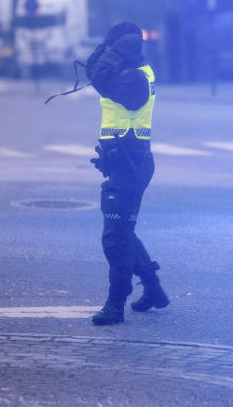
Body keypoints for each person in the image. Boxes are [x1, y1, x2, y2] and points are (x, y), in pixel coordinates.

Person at [85, 22, 169, 325]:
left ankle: (115, 304)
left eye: (114, 48)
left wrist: (114, 52)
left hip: (130, 163)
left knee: (115, 238)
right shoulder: (130, 72)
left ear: (124, 50)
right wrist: (106, 47)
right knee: (122, 230)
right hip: (125, 161)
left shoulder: (133, 78)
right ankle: (154, 290)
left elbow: (100, 75)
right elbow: (95, 72)